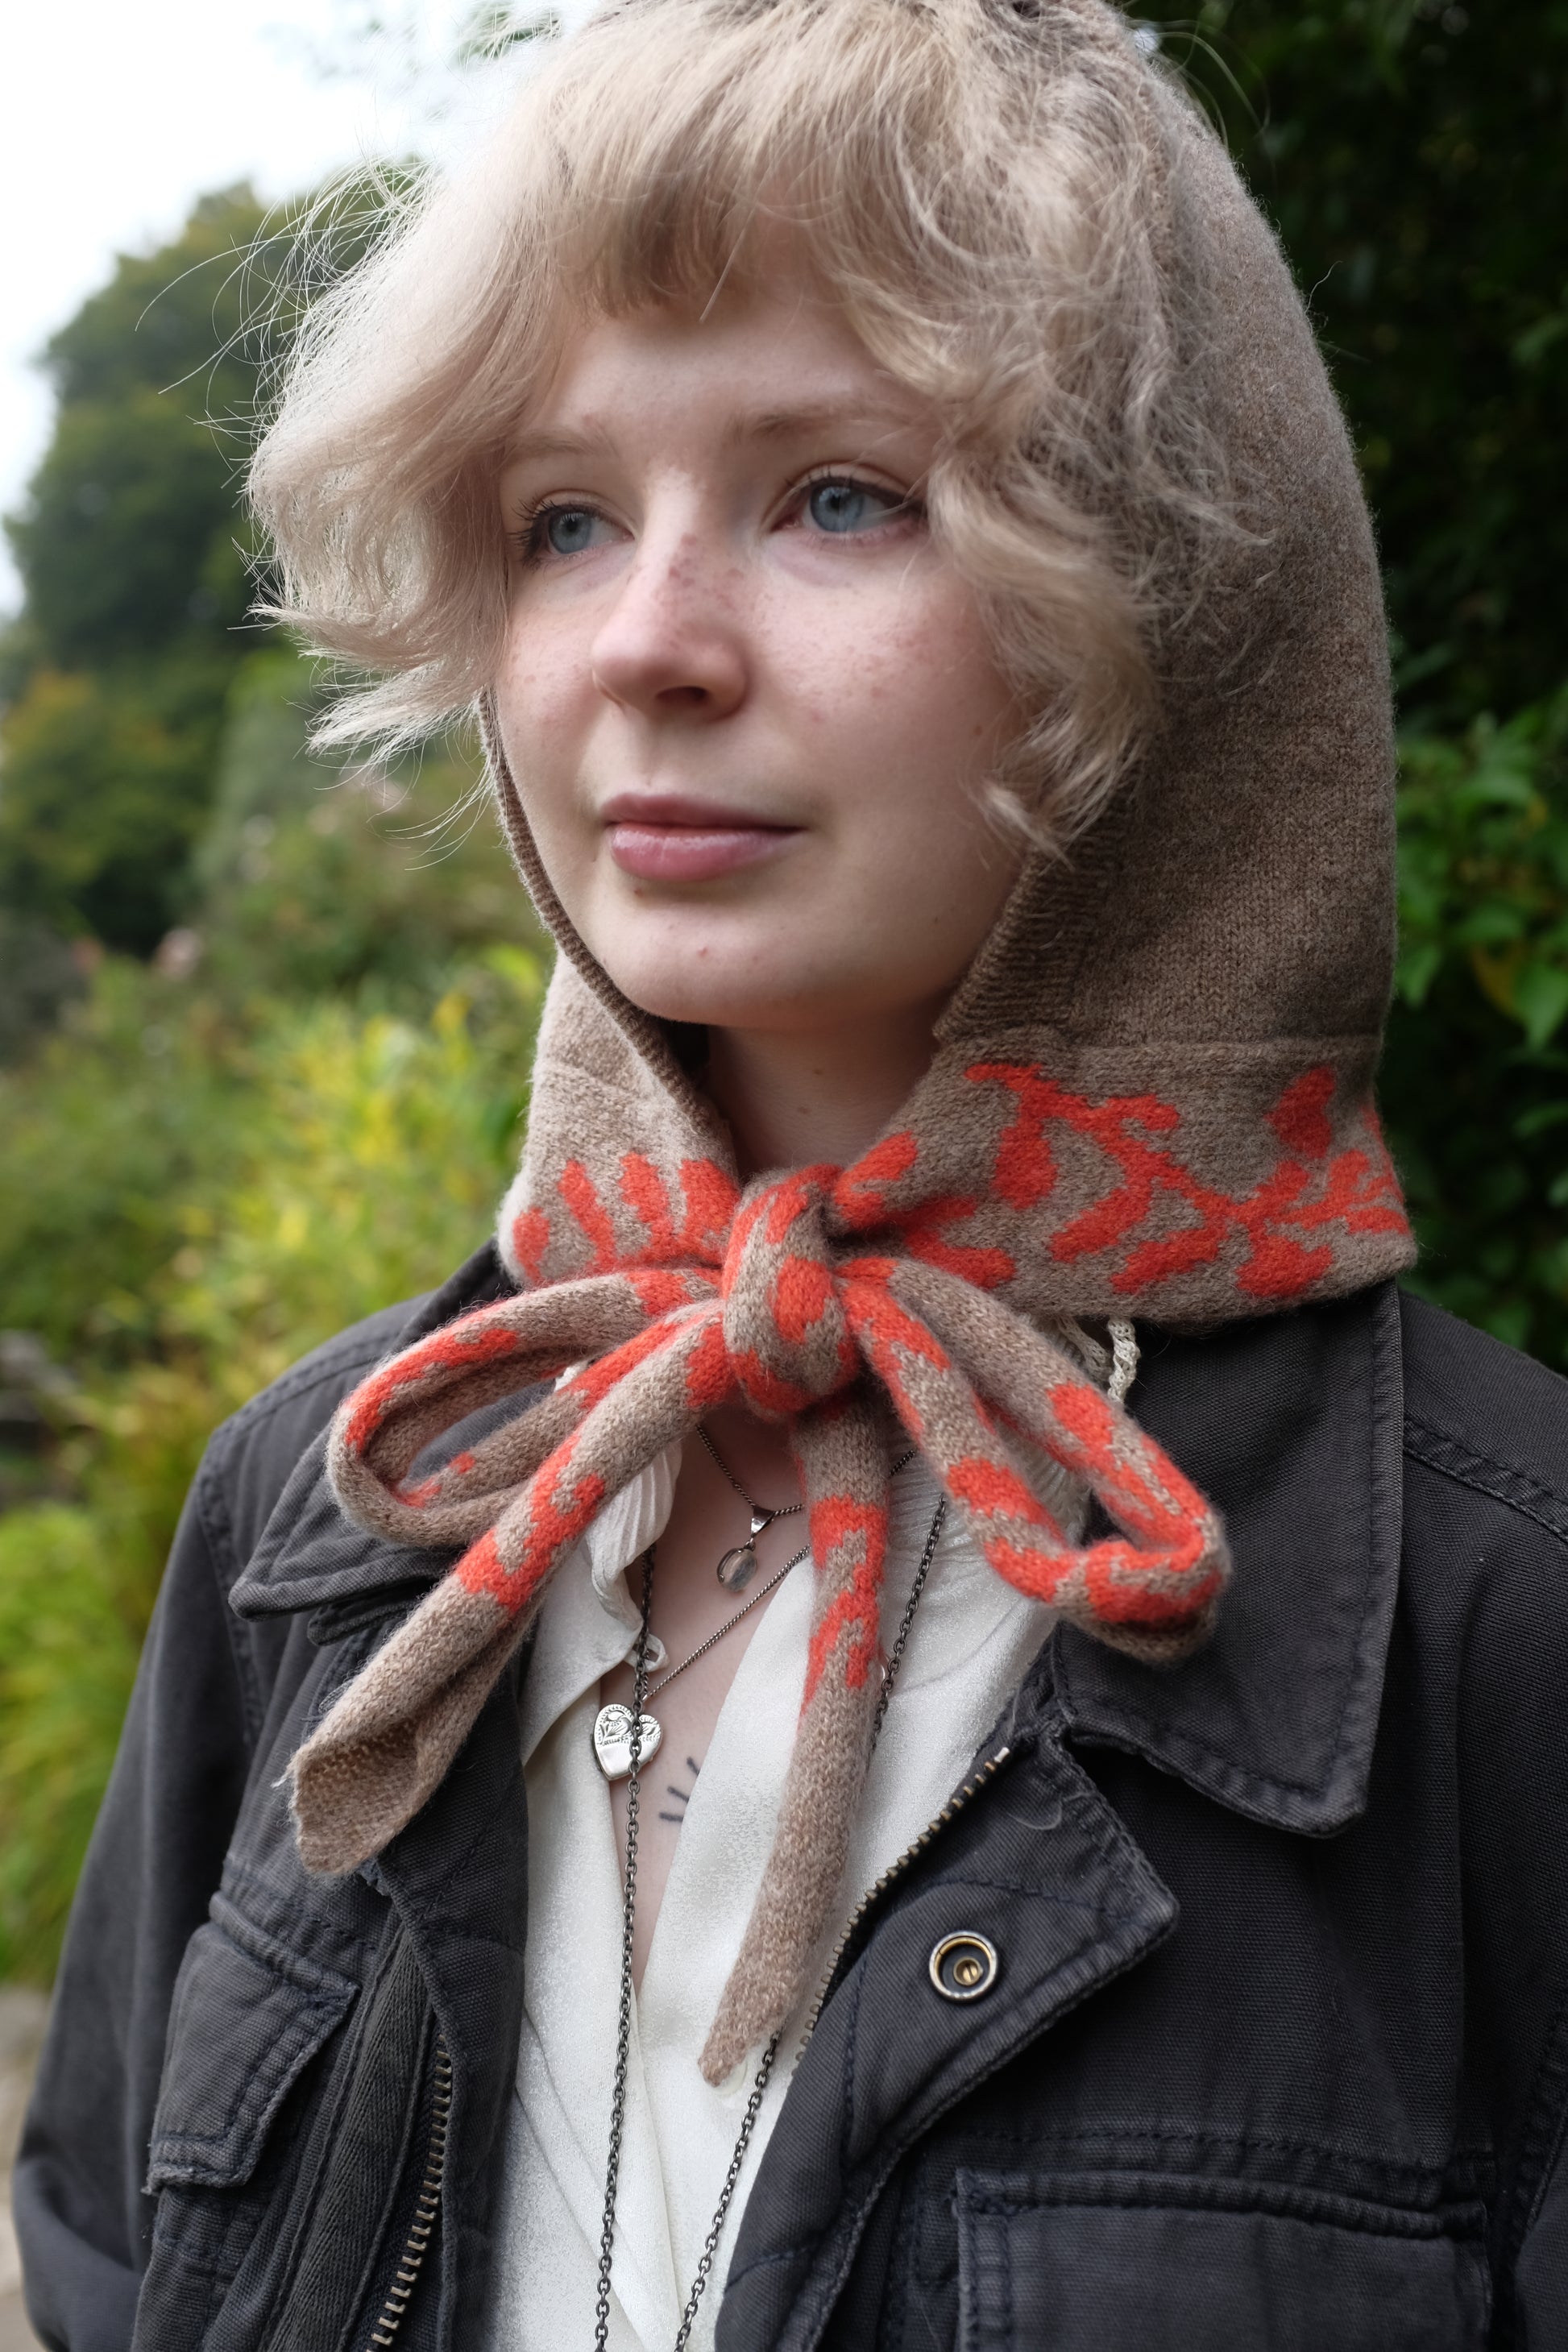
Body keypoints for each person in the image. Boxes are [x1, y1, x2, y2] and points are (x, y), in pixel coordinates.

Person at [17, 0, 1568, 2345]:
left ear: (1175, 598)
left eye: (838, 492)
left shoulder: (1500, 1622)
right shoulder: (329, 1512)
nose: (644, 644)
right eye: (558, 521)